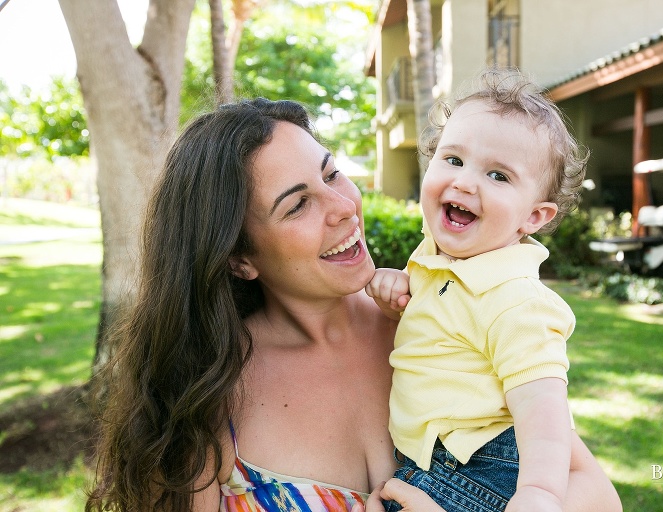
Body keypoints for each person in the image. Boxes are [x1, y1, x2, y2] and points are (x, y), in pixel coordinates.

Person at [85, 97, 621, 512]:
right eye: (298, 205)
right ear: (238, 258)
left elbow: (597, 497)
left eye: (331, 173)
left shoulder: (431, 321)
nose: (343, 206)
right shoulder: (207, 391)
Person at [366, 68, 592, 512]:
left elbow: (543, 406)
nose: (465, 182)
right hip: (437, 458)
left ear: (533, 217)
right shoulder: (439, 260)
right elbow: (440, 330)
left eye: (498, 175)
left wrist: (539, 493)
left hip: (481, 467)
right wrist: (399, 291)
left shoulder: (516, 300)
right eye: (453, 160)